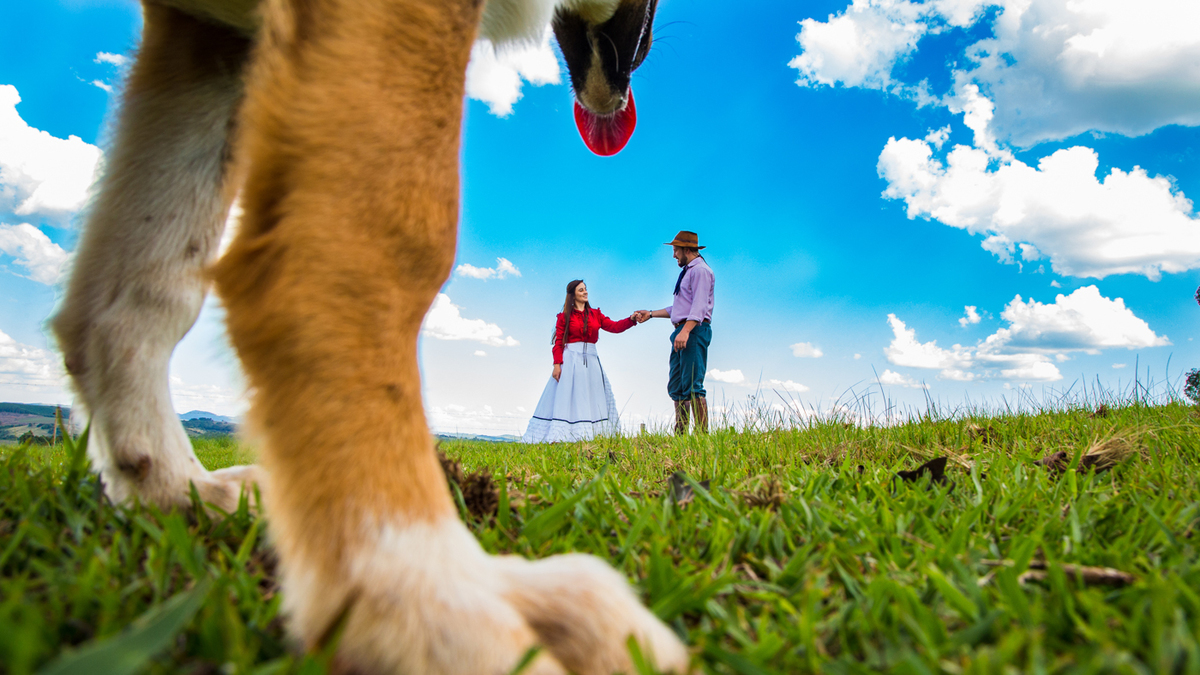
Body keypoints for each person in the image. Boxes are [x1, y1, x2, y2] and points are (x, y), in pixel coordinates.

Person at [522, 280, 639, 443]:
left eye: (586, 289)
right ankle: (562, 435)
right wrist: (557, 364)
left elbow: (615, 327)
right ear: (572, 295)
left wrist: (631, 319)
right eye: (581, 290)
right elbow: (558, 343)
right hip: (570, 360)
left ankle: (592, 434)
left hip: (592, 361)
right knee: (569, 395)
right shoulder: (564, 317)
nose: (585, 292)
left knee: (591, 395)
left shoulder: (596, 314)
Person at [633, 231, 714, 434]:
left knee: (693, 384)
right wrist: (650, 314)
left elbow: (699, 306)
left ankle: (702, 437)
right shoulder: (688, 271)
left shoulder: (700, 271)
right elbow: (678, 309)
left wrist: (686, 331)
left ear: (687, 249)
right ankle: (680, 435)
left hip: (693, 331)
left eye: (676, 250)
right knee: (677, 385)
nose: (674, 255)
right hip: (682, 331)